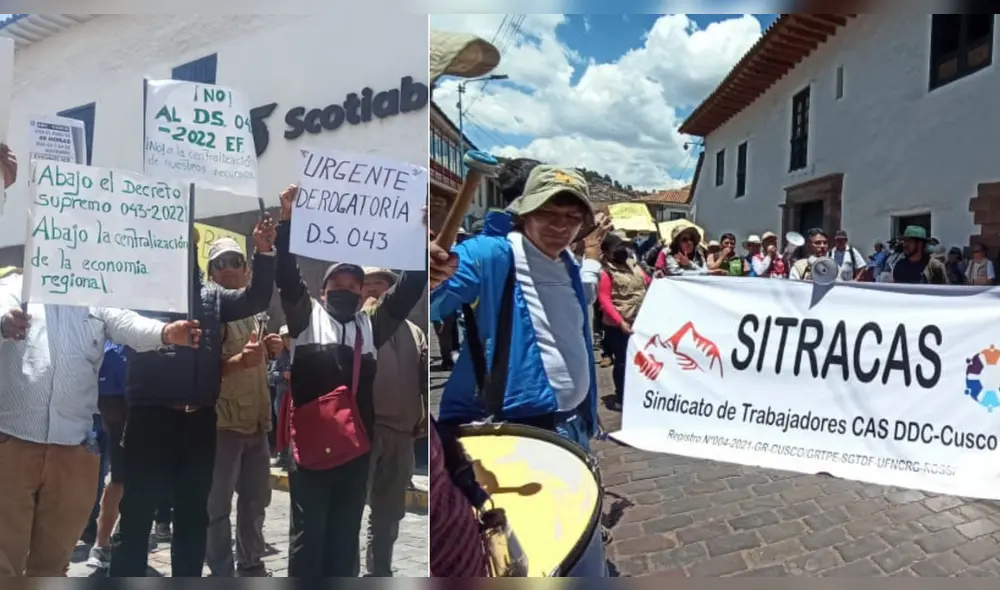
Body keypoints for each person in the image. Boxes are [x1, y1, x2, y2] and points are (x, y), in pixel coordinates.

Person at [272, 185, 428, 578]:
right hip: (308, 452)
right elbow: (287, 278)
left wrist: (419, 240)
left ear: (363, 293)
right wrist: (288, 222)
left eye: (352, 285)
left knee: (345, 536)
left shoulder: (372, 325)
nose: (345, 289)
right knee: (308, 538)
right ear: (323, 291)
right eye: (337, 284)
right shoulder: (305, 318)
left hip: (356, 450)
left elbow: (408, 289)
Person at [0, 273, 200, 577]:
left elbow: (126, 323)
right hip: (12, 445)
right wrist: (4, 322)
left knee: (53, 564)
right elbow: (2, 305)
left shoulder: (96, 296)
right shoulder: (18, 286)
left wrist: (165, 332)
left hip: (73, 451)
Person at [110, 216, 276, 578]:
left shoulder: (213, 296)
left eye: (184, 244)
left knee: (193, 513)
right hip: (150, 418)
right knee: (138, 509)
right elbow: (123, 327)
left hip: (200, 420)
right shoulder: (139, 291)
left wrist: (264, 252)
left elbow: (256, 297)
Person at [429, 166, 599, 451]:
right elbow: (431, 301)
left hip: (572, 424)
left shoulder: (567, 263)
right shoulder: (489, 254)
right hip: (509, 431)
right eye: (547, 213)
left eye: (572, 217)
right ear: (523, 213)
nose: (561, 226)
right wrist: (427, 273)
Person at [203, 237, 277, 578]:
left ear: (248, 269)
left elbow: (257, 360)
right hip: (222, 425)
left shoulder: (256, 311)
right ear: (210, 273)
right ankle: (220, 571)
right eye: (220, 263)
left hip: (257, 424)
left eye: (235, 260)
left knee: (256, 502)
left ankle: (251, 565)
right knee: (216, 507)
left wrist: (271, 350)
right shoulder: (209, 310)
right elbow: (201, 371)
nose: (229, 267)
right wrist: (240, 360)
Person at [360, 267, 428, 577]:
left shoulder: (415, 331)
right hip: (366, 432)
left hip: (403, 434)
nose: (374, 291)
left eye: (382, 285)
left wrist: (423, 417)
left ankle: (379, 571)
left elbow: (422, 378)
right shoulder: (356, 326)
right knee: (349, 509)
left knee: (389, 513)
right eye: (368, 285)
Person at [85, 342, 131, 570]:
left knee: (144, 484)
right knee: (119, 480)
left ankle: (124, 541)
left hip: (156, 411)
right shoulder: (114, 348)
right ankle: (101, 545)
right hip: (119, 415)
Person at [597, 232, 650, 411]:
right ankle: (621, 396)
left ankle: (636, 392)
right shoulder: (605, 272)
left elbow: (647, 282)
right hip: (618, 325)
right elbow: (604, 299)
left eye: (624, 247)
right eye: (617, 248)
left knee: (641, 360)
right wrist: (620, 322)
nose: (622, 251)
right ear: (607, 252)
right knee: (622, 361)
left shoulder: (634, 265)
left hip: (639, 320)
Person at [267, 325, 293, 469]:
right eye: (285, 338)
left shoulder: (299, 351)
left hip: (296, 398)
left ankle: (292, 458)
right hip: (281, 398)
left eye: (290, 337)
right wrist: (282, 375)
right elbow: (269, 376)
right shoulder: (279, 356)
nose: (288, 341)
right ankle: (282, 456)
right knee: (281, 427)